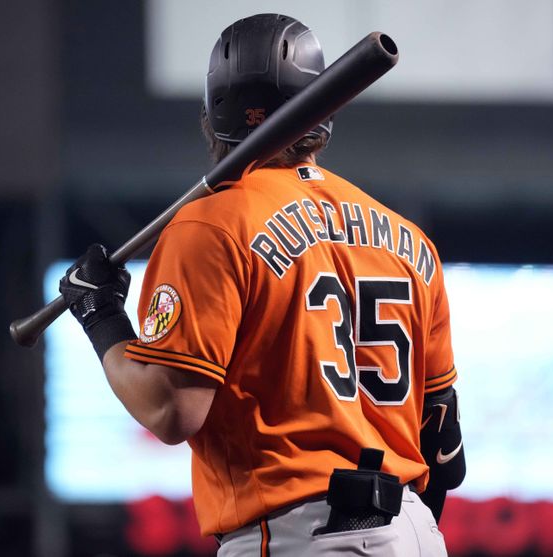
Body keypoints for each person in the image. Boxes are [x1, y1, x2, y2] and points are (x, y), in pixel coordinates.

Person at [59, 13, 465, 556]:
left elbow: (172, 411)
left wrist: (101, 317)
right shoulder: (407, 239)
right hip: (416, 534)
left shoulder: (212, 223)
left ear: (212, 117)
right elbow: (444, 446)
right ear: (324, 112)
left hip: (305, 535)